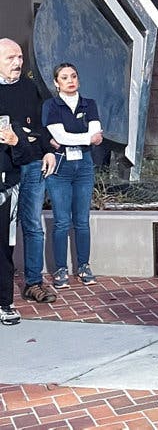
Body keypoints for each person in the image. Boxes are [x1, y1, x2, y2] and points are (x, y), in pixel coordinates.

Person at [0, 39, 57, 304]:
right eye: (11, 58)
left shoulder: (28, 87)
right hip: (5, 169)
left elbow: (40, 126)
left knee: (33, 224)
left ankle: (33, 283)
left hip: (32, 164)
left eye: (20, 57)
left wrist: (46, 150)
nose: (18, 63)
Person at [41, 64, 103, 289]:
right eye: (64, 77)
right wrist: (86, 138)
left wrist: (78, 138)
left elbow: (96, 133)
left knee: (82, 220)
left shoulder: (90, 104)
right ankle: (60, 269)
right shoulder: (51, 105)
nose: (70, 80)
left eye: (74, 76)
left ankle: (84, 266)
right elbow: (61, 136)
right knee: (61, 221)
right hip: (60, 167)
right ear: (56, 83)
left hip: (84, 166)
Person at [0, 117, 29, 325]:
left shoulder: (9, 124)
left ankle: (4, 304)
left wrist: (16, 141)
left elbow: (27, 156)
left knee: (3, 250)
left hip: (6, 194)